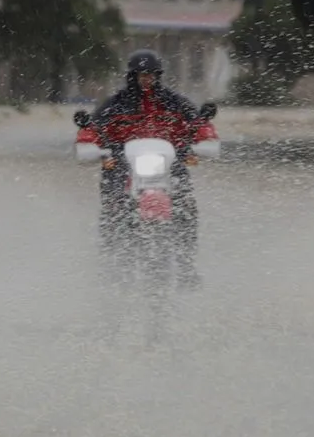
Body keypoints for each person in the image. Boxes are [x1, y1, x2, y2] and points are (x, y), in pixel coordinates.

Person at [78, 49, 218, 289]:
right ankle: (113, 266)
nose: (146, 79)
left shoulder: (175, 103)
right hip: (123, 168)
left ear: (158, 76)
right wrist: (92, 147)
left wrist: (203, 142)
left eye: (151, 74)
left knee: (186, 207)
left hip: (169, 167)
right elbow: (93, 132)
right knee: (114, 207)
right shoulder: (115, 106)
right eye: (142, 75)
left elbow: (199, 126)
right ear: (132, 76)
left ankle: (186, 265)